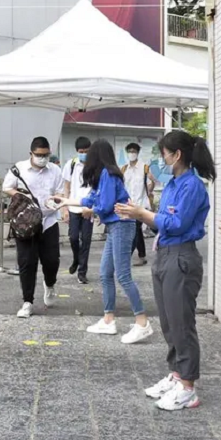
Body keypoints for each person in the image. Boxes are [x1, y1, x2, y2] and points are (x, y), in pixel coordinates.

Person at [116, 130, 216, 410]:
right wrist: (141, 214)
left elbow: (177, 224)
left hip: (181, 257)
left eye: (164, 155)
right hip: (165, 254)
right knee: (169, 322)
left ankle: (187, 386)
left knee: (182, 324)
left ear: (177, 155)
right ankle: (176, 374)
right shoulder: (173, 184)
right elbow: (162, 221)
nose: (161, 160)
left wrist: (142, 214)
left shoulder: (192, 186)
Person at [52, 139, 152, 344]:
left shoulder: (108, 174)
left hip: (122, 226)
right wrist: (65, 201)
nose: (85, 158)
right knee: (105, 274)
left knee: (123, 276)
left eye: (88, 155)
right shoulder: (104, 175)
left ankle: (142, 322)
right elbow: (91, 199)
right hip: (115, 227)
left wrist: (92, 211)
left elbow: (104, 205)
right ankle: (108, 320)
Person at [3, 137, 64, 319]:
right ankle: (27, 301)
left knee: (52, 260)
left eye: (46, 155)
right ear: (31, 153)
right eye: (39, 155)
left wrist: (56, 200)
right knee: (27, 263)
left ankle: (50, 283)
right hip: (27, 223)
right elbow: (7, 187)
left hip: (49, 221)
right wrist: (22, 198)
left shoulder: (55, 170)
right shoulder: (19, 168)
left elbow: (61, 192)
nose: (43, 158)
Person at [62, 137, 93, 284]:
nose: (84, 154)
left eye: (87, 151)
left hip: (88, 209)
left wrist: (95, 210)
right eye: (81, 152)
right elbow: (66, 187)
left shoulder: (95, 166)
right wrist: (65, 209)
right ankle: (76, 259)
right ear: (77, 152)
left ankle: (82, 272)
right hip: (74, 207)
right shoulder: (71, 164)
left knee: (86, 241)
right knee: (73, 238)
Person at [122, 143, 157, 266]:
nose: (132, 153)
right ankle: (142, 256)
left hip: (141, 205)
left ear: (137, 153)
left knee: (135, 229)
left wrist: (152, 181)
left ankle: (126, 257)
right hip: (129, 205)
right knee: (136, 231)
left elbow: (149, 188)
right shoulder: (124, 169)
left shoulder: (144, 168)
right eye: (130, 151)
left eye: (134, 151)